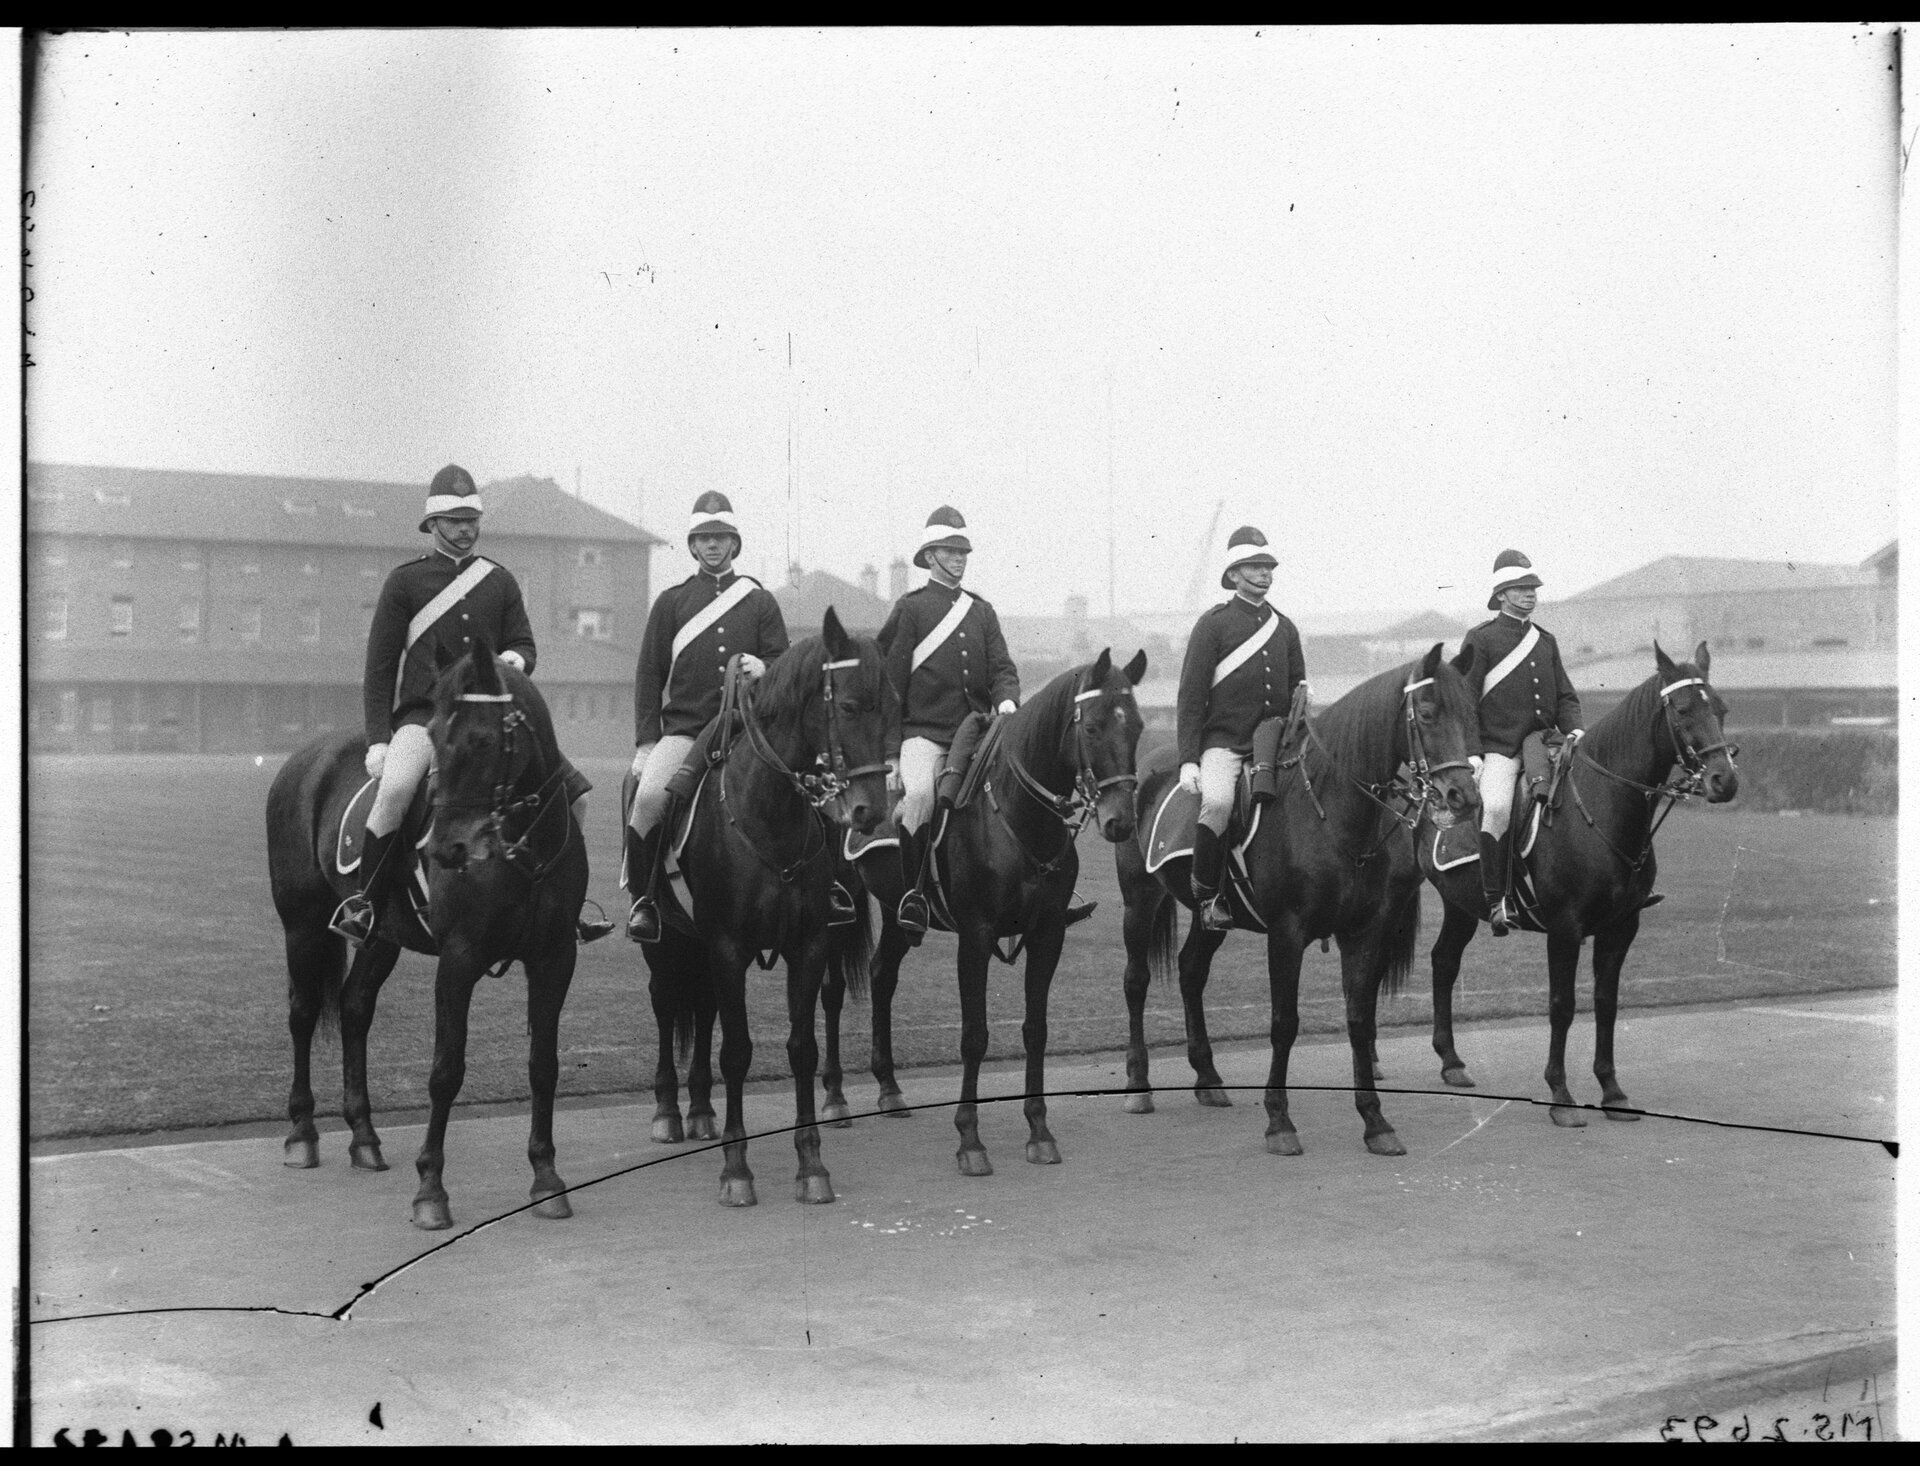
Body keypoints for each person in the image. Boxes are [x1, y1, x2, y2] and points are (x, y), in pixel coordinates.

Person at [331, 465, 612, 947]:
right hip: (426, 718)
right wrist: (379, 739)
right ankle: (365, 905)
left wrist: (514, 659)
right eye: (455, 520)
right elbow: (379, 670)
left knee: (578, 797)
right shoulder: (405, 583)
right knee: (396, 789)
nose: (465, 528)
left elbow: (526, 644)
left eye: (471, 520)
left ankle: (565, 906)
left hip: (492, 719)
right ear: (433, 525)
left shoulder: (499, 582)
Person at [882, 505, 1083, 940]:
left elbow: (1002, 668)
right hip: (926, 734)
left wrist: (1009, 702)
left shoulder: (981, 611)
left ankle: (1050, 892)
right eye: (950, 551)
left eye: (962, 552)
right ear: (930, 555)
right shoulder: (911, 609)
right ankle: (914, 895)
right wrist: (890, 753)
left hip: (982, 731)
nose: (959, 559)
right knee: (919, 796)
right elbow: (891, 687)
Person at [623, 490, 790, 943]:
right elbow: (648, 675)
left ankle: (824, 891)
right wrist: (646, 743)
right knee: (649, 800)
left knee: (807, 793)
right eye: (704, 538)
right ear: (693, 546)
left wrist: (767, 669)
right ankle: (647, 901)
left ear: (734, 545)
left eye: (721, 538)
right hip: (685, 731)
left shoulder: (760, 602)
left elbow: (785, 669)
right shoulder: (671, 602)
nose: (713, 545)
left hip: (748, 732)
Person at [1174, 525, 1307, 933]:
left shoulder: (1284, 627)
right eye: (1254, 567)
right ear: (1234, 575)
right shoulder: (1213, 625)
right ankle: (1209, 897)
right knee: (1216, 802)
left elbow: (1298, 685)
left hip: (1278, 744)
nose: (1264, 574)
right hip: (1226, 744)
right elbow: (1191, 696)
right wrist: (1188, 759)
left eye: (1268, 567)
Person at [1460, 548, 1584, 936]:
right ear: (1501, 595)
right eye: (1521, 588)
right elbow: (1464, 699)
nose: (1530, 594)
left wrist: (1576, 729)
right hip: (1500, 748)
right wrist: (1472, 753)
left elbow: (1564, 694)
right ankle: (1498, 898)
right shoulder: (1481, 640)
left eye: (1533, 588)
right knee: (1496, 807)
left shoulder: (1544, 641)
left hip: (1546, 745)